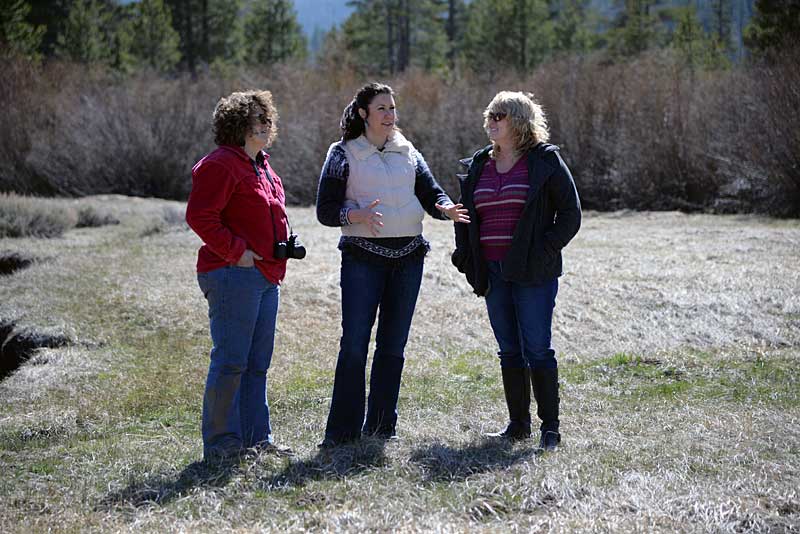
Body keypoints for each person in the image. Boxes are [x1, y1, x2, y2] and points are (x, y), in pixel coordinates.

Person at [316, 82, 470, 447]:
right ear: (363, 113)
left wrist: (444, 208)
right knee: (354, 345)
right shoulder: (341, 154)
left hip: (409, 259)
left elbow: (431, 191)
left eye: (392, 108)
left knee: (393, 347)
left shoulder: (408, 151)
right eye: (382, 108)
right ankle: (342, 432)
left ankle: (382, 426)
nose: (390, 114)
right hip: (361, 259)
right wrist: (354, 215)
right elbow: (325, 210)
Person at [451, 91, 581, 451]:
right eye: (490, 114)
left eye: (500, 115)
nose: (491, 120)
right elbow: (465, 213)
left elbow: (570, 214)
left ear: (520, 121)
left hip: (533, 272)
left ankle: (550, 428)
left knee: (537, 348)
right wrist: (464, 254)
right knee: (509, 349)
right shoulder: (479, 163)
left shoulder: (544, 161)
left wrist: (544, 250)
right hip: (492, 271)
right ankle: (518, 426)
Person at [186, 90, 294, 461]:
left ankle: (255, 439)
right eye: (257, 120)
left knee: (257, 362)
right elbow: (200, 217)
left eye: (268, 119)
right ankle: (221, 445)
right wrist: (238, 253)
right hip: (232, 274)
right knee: (231, 360)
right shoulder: (220, 164)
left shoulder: (262, 164)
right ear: (238, 125)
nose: (266, 126)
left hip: (265, 276)